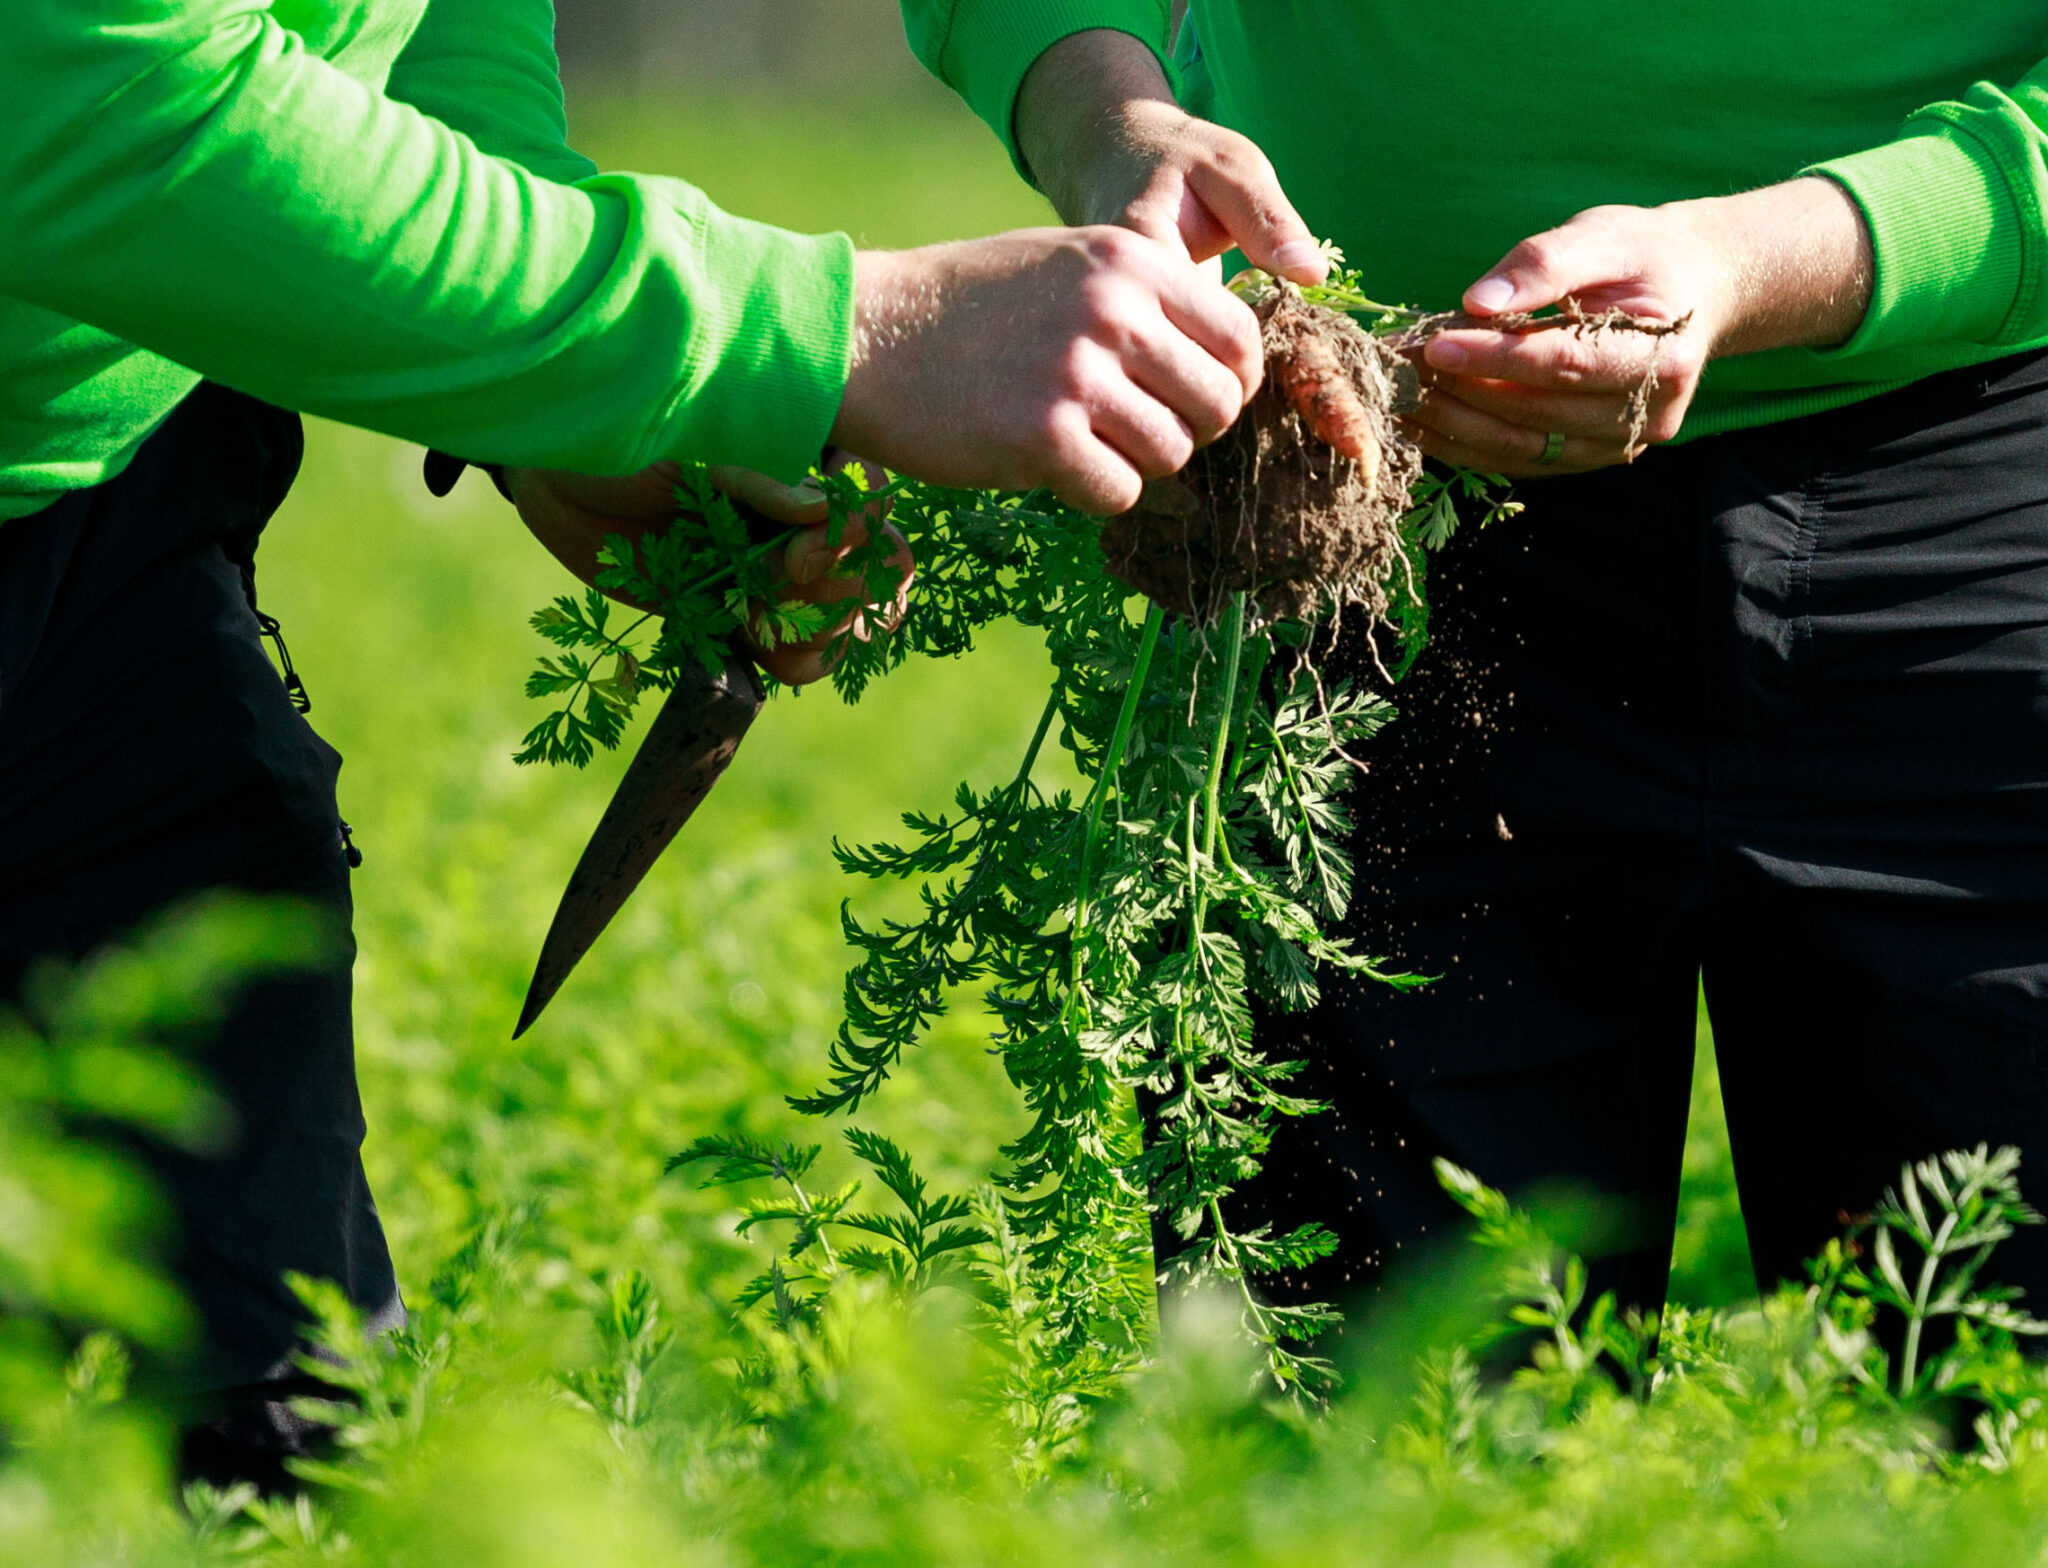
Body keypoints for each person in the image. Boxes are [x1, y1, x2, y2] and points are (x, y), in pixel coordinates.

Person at [0, 0, 1270, 1485]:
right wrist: (827, 330)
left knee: (278, 1412)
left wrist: (555, 393)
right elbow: (91, 98)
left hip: (99, 491)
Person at [904, 3, 2048, 1314]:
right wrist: (1111, 121)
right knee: (1367, 1423)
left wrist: (1750, 259)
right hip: (1346, 469)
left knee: (1983, 1420)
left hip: (1976, 499)